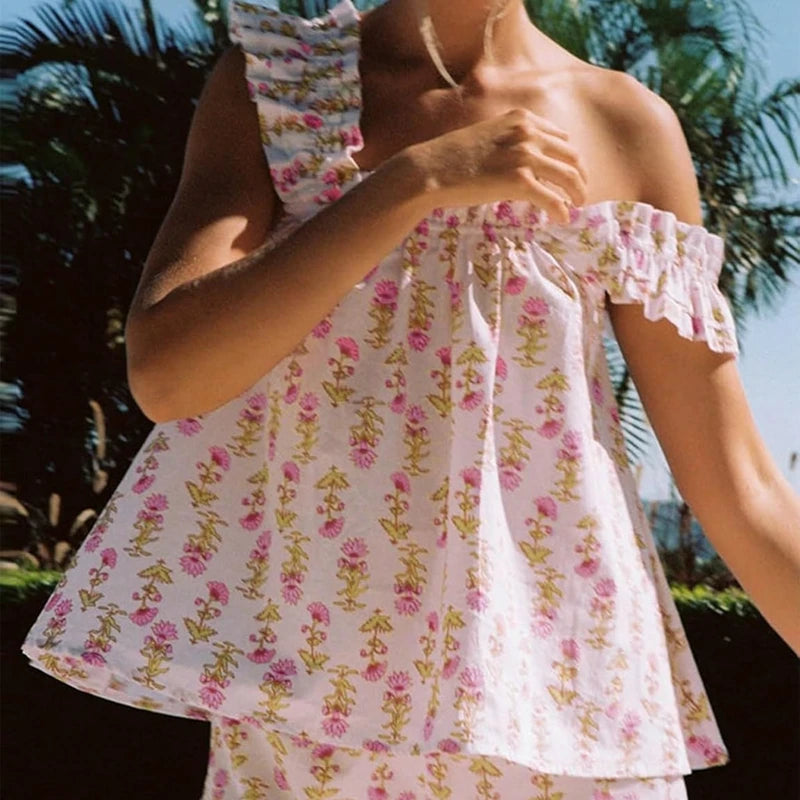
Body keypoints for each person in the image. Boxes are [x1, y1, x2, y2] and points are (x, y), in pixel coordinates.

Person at [21, 1, 800, 798]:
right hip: (316, 705)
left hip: (568, 700)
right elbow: (170, 374)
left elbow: (739, 486)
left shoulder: (628, 124)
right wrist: (415, 182)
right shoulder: (280, 84)